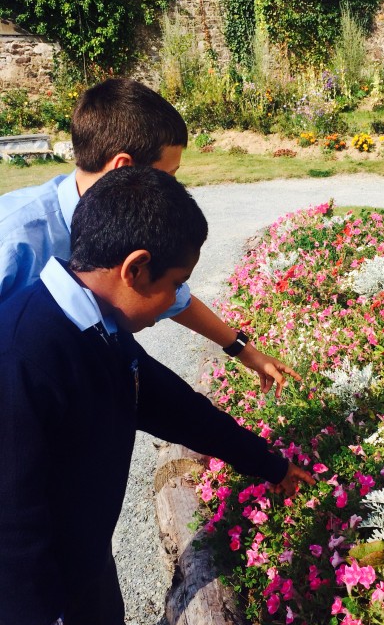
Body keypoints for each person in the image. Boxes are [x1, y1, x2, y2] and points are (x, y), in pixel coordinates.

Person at [0, 166, 315, 625]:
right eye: (174, 285)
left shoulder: (101, 328)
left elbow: (178, 408)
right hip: (27, 604)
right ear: (135, 268)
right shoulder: (23, 352)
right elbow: (11, 513)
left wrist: (271, 466)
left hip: (82, 562)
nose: (175, 302)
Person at [0, 77, 299, 397]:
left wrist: (244, 351)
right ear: (122, 168)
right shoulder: (14, 239)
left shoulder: (127, 217)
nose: (174, 188)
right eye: (168, 175)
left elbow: (168, 294)